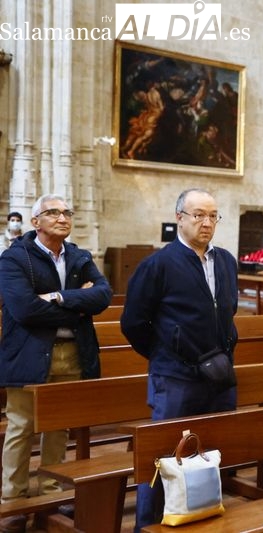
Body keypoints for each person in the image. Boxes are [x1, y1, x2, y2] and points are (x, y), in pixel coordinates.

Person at [121, 188, 238, 531]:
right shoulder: (158, 264)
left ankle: (200, 517)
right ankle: (148, 524)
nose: (207, 222)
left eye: (213, 215)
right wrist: (164, 353)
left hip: (218, 375)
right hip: (175, 378)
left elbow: (226, 311)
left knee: (210, 455)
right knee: (162, 457)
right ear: (179, 218)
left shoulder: (226, 261)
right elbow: (133, 322)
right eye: (198, 214)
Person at [0, 194, 111, 533]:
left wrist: (62, 297)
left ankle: (51, 493)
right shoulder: (14, 257)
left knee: (58, 426)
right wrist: (79, 306)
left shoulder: (78, 255)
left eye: (67, 212)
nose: (62, 217)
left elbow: (104, 295)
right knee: (21, 427)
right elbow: (23, 309)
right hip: (28, 351)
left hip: (74, 351)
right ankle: (13, 502)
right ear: (35, 222)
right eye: (53, 212)